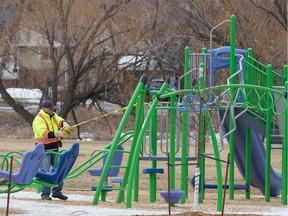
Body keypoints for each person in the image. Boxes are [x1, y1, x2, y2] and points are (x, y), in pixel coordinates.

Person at [32, 100, 71, 201]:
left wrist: (65, 124)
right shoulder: (38, 119)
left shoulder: (53, 115)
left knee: (59, 169)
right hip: (43, 149)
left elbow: (59, 119)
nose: (51, 110)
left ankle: (57, 191)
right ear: (44, 108)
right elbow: (43, 133)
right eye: (50, 108)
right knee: (45, 171)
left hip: (54, 147)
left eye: (52, 108)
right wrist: (56, 134)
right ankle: (45, 194)